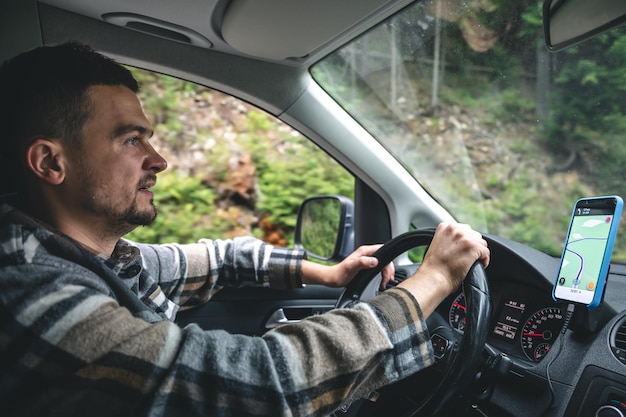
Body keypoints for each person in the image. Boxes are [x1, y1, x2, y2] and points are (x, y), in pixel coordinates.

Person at [0, 42, 490, 416]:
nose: (159, 160)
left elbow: (221, 259)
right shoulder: (35, 292)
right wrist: (435, 280)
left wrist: (330, 274)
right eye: (131, 140)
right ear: (50, 162)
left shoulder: (94, 255)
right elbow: (257, 380)